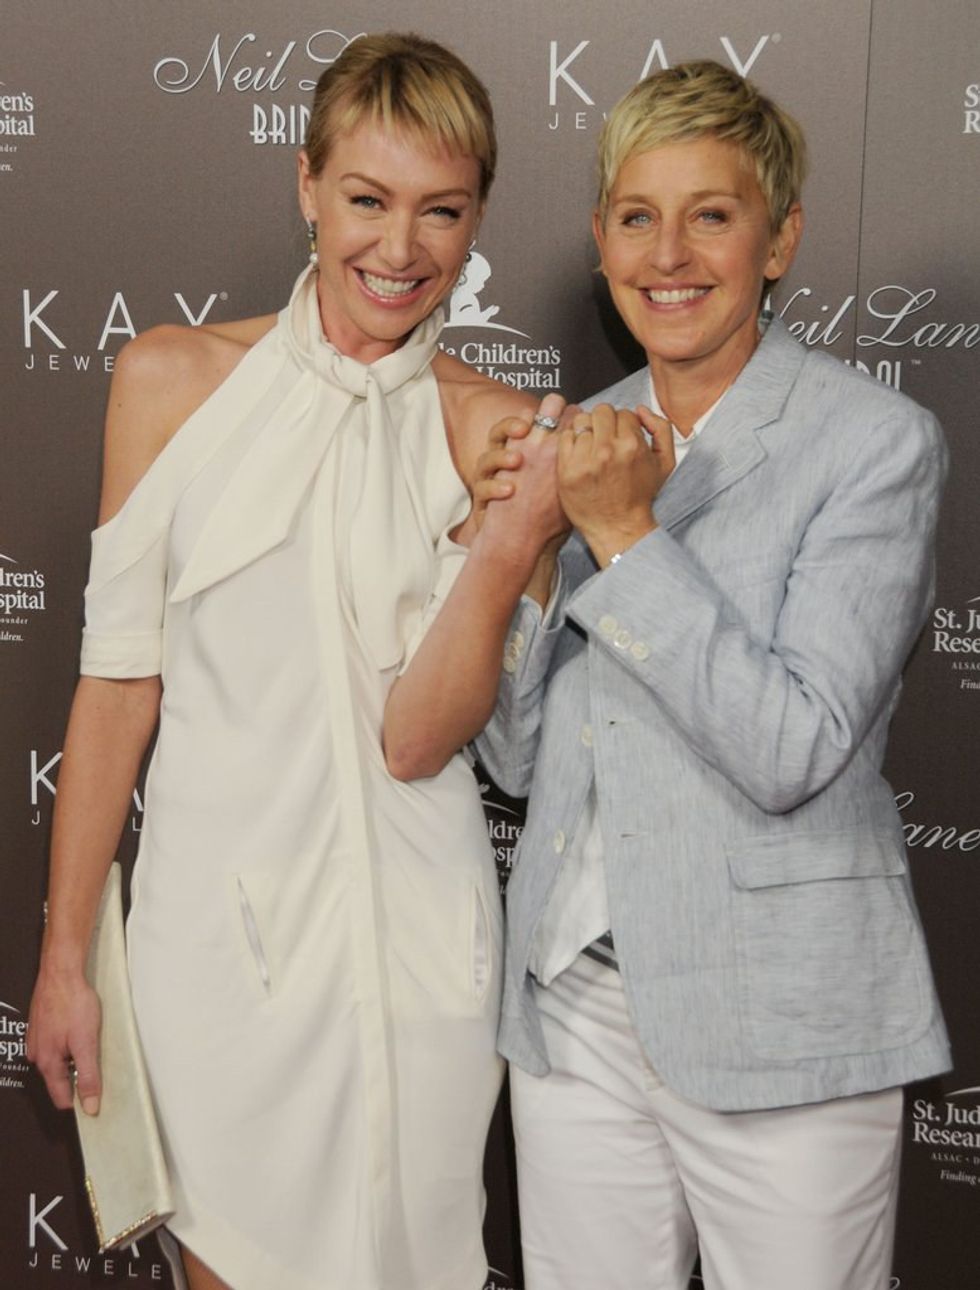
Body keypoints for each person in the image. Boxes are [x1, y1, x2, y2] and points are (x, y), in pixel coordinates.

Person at [26, 32, 565, 1290]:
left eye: (441, 211)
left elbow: (441, 739)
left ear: (477, 219)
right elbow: (116, 689)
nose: (399, 247)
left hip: (424, 955)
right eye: (367, 199)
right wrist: (65, 960)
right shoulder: (168, 380)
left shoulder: (497, 434)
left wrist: (508, 540)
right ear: (306, 184)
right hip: (213, 953)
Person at [473, 60, 951, 1290]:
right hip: (570, 1006)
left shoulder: (871, 444)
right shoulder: (576, 435)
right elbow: (515, 759)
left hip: (782, 1013)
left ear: (777, 239)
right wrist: (520, 565)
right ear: (599, 239)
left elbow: (793, 746)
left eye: (711, 215)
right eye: (637, 216)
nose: (669, 255)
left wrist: (622, 534)